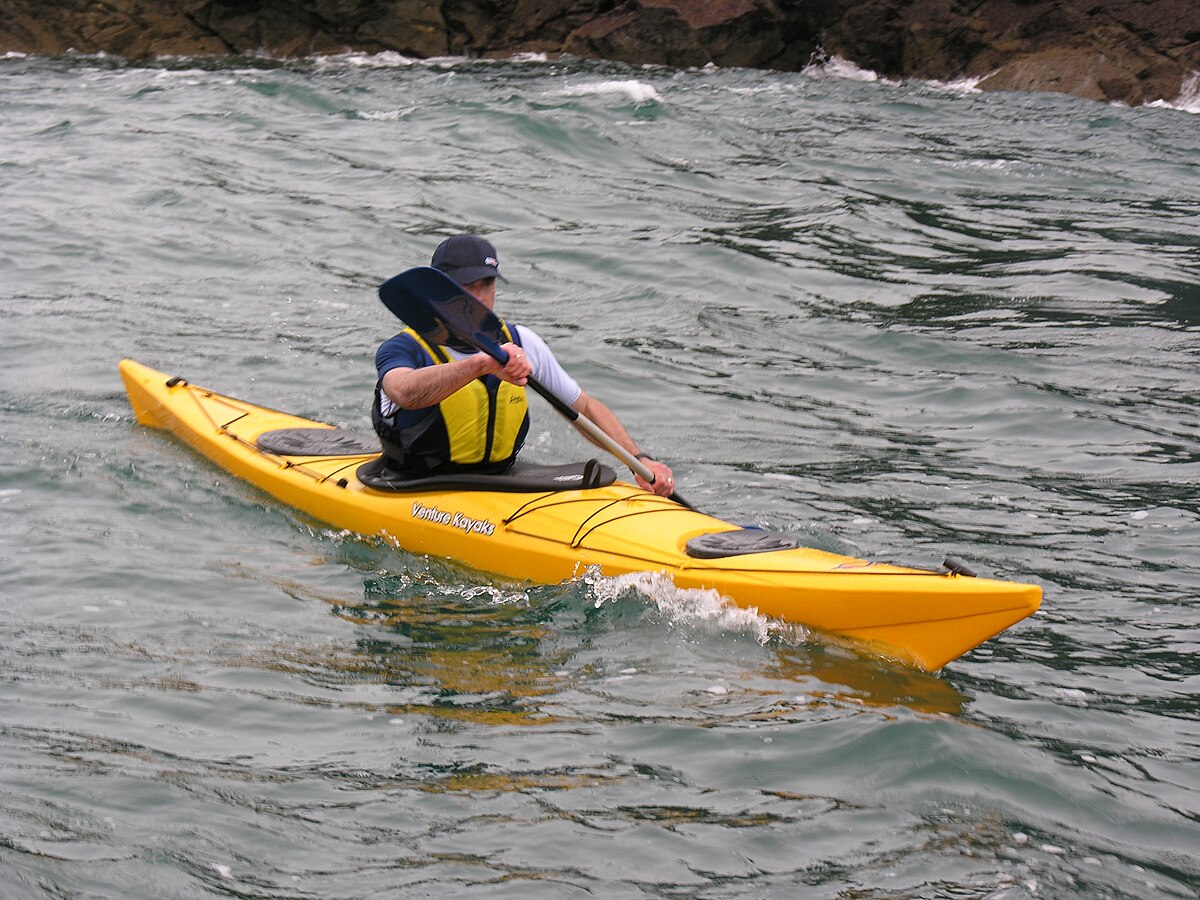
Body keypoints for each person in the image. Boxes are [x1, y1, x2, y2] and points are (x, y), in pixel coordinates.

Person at [372, 234, 676, 496]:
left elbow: (582, 408)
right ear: (439, 291)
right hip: (414, 484)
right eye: (466, 286)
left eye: (487, 283)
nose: (480, 298)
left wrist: (638, 459)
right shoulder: (404, 348)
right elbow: (405, 392)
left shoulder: (522, 342)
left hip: (501, 482)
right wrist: (481, 365)